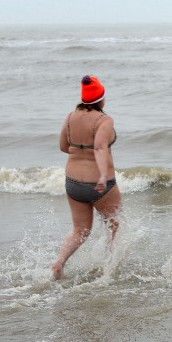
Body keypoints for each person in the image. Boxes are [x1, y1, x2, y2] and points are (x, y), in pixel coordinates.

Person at [52, 75, 122, 279]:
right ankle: (110, 271)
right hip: (100, 184)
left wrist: (81, 152)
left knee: (80, 230)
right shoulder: (104, 120)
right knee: (114, 226)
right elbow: (100, 147)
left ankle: (58, 263)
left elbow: (63, 147)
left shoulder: (70, 116)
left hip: (73, 182)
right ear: (101, 99)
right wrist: (101, 174)